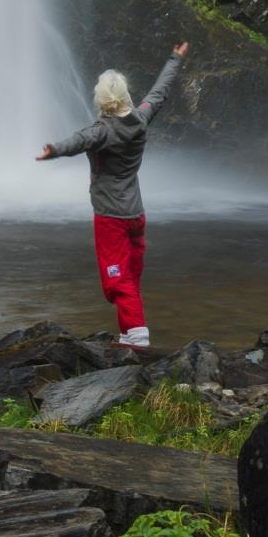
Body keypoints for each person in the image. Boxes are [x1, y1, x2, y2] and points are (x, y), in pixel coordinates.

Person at [36, 41, 190, 349]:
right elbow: (158, 93)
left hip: (111, 217)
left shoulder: (102, 130)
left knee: (117, 278)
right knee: (130, 276)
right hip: (136, 214)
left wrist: (53, 152)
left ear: (102, 100)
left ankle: (137, 335)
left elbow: (79, 140)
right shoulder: (141, 118)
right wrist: (175, 58)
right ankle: (128, 333)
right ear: (124, 96)